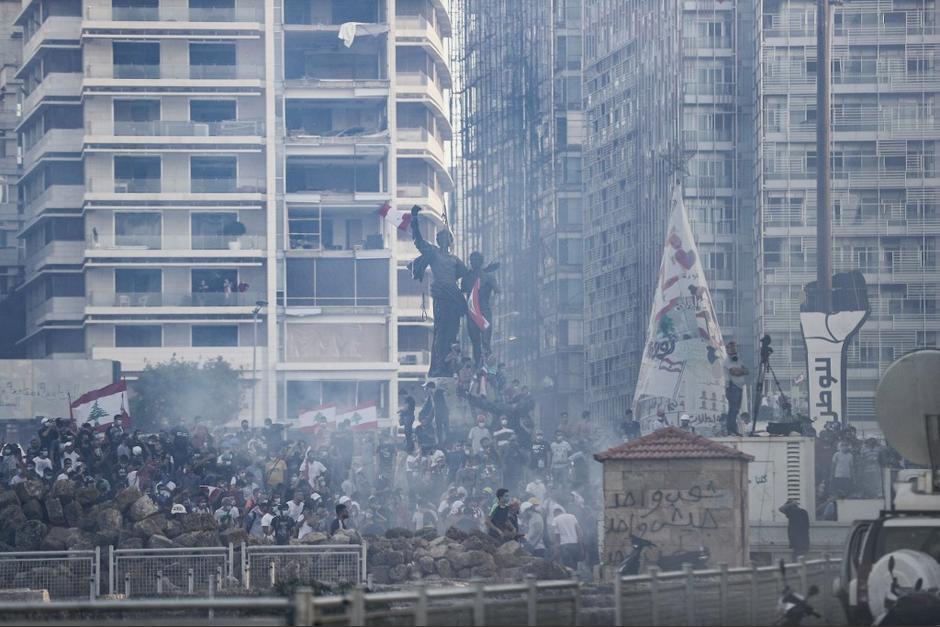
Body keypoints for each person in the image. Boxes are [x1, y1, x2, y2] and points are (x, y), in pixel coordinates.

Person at [409, 204, 469, 377]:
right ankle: (439, 365)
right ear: (437, 240)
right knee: (441, 331)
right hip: (441, 295)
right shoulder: (433, 253)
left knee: (452, 331)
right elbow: (418, 241)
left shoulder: (455, 259)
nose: (444, 241)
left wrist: (484, 271)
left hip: (454, 297)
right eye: (441, 238)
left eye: (446, 238)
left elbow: (468, 275)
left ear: (450, 241)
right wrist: (414, 219)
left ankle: (450, 362)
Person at [461, 251, 499, 367]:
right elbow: (463, 291)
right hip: (472, 312)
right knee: (475, 343)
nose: (472, 262)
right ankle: (478, 367)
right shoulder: (467, 278)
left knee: (486, 342)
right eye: (471, 260)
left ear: (481, 261)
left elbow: (497, 290)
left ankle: (489, 369)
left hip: (484, 311)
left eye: (475, 260)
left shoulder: (488, 277)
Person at [723, 341, 748, 435]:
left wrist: (740, 370)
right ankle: (731, 429)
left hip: (739, 387)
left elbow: (747, 371)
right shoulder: (727, 361)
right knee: (733, 409)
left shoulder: (737, 361)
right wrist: (741, 370)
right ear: (727, 350)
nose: (734, 350)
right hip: (732, 387)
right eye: (732, 348)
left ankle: (733, 429)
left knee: (736, 409)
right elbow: (734, 372)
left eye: (735, 348)